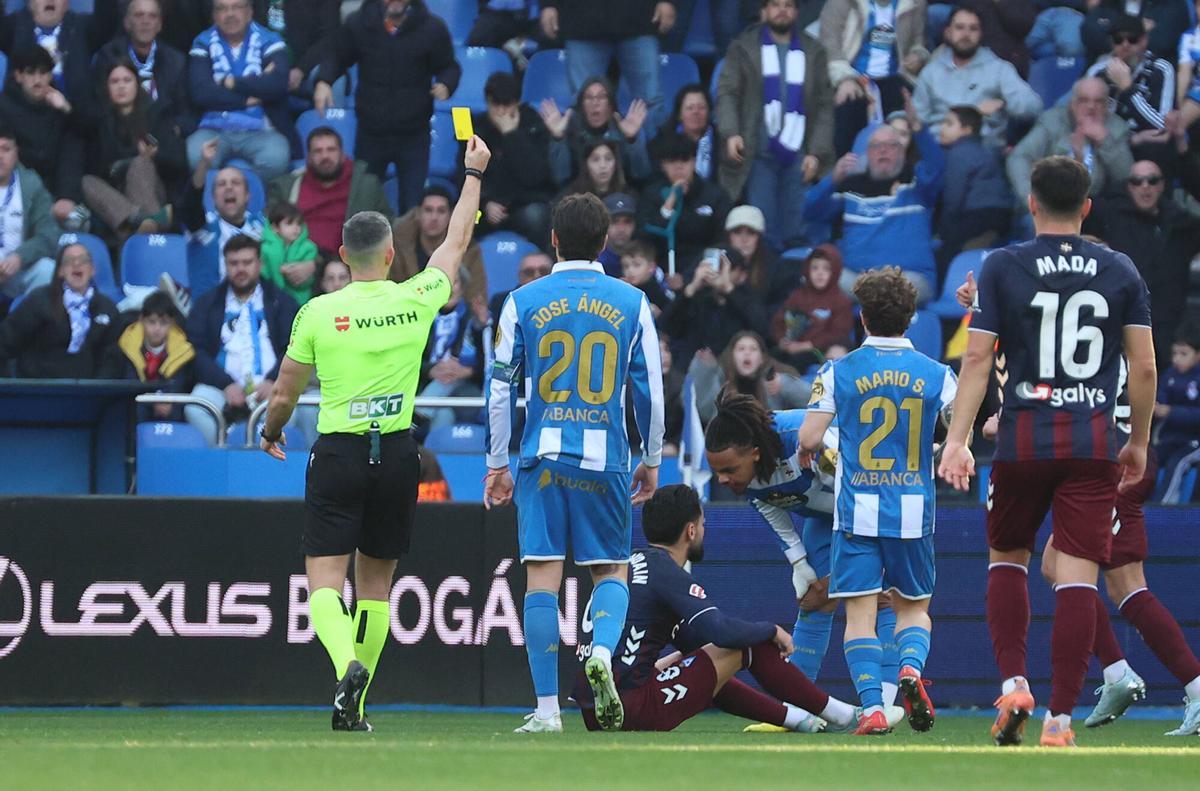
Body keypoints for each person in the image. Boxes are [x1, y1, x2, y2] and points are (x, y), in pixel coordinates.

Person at [257, 137, 492, 731]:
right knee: (377, 589)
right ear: (391, 256)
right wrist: (472, 173)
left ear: (342, 253)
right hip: (397, 454)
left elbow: (284, 393)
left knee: (322, 585)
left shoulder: (317, 312)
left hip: (337, 452)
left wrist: (270, 431)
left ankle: (345, 671)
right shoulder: (414, 298)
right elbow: (456, 240)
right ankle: (356, 703)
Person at [938, 155, 1157, 748]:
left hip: (1022, 439)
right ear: (1087, 207)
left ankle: (1014, 685)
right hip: (1091, 443)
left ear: (1031, 203)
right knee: (1080, 577)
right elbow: (1143, 365)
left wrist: (957, 441)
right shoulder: (1120, 269)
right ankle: (1060, 719)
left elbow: (979, 359)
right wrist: (1135, 441)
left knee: (1008, 557)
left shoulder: (1002, 265)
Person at [955, 270, 1200, 737]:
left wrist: (999, 422)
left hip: (1109, 457)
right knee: (1059, 567)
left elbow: (1054, 386)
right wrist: (984, 298)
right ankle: (1116, 672)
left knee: (1125, 586)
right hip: (1109, 453)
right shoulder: (1108, 321)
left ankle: (1187, 686)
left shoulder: (1069, 336)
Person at [483, 192, 665, 733]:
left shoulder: (522, 300)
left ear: (554, 241)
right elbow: (650, 392)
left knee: (542, 579)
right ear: (606, 243)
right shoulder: (632, 303)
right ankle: (602, 655)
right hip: (604, 458)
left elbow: (500, 390)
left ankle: (545, 710)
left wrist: (498, 461)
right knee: (610, 571)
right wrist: (651, 457)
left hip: (542, 458)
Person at [798, 266, 956, 735]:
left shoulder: (838, 370)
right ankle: (908, 668)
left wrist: (828, 448)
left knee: (861, 616)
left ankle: (871, 709)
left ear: (862, 318)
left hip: (857, 513)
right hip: (913, 513)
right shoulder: (937, 374)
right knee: (912, 610)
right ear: (911, 319)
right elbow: (958, 429)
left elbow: (808, 437)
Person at [571, 484, 860, 734]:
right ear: (691, 530)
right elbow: (720, 632)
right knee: (750, 644)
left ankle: (798, 719)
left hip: (595, 711)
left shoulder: (631, 564)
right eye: (704, 525)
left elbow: (707, 660)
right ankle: (842, 716)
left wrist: (682, 657)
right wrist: (770, 630)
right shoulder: (665, 571)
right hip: (633, 707)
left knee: (706, 662)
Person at [701, 389, 906, 731]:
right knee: (813, 601)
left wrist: (851, 551)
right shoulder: (747, 473)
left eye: (729, 470)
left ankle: (882, 704)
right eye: (716, 471)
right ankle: (795, 712)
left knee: (880, 599)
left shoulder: (804, 437)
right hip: (821, 515)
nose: (722, 480)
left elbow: (860, 481)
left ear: (754, 453)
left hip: (871, 506)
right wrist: (799, 563)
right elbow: (767, 504)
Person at [314, 0, 461, 213]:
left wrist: (446, 84)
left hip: (414, 136)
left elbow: (449, 66)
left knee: (412, 210)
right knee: (362, 205)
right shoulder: (359, 24)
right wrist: (324, 80)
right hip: (370, 134)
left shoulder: (432, 28)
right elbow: (337, 56)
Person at [716, 0, 834, 251]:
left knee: (796, 229)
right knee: (764, 231)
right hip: (758, 152)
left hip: (800, 153)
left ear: (797, 12)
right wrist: (731, 132)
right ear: (764, 11)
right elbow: (727, 93)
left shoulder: (814, 51)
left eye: (788, 5)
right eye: (775, 4)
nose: (782, 10)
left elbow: (825, 106)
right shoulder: (743, 47)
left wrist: (816, 152)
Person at [804, 108, 944, 306]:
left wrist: (919, 129)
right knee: (822, 278)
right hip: (858, 280)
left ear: (903, 152)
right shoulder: (850, 190)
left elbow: (936, 167)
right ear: (867, 154)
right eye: (876, 146)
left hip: (907, 279)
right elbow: (808, 211)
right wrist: (832, 180)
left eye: (891, 146)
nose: (884, 150)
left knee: (894, 291)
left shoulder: (917, 187)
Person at [1082, 159, 1200, 367]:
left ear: (1163, 185)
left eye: (1152, 180)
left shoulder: (1181, 224)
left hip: (1169, 328)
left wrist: (1181, 153)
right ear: (1128, 186)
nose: (1145, 186)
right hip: (1124, 323)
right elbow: (1078, 205)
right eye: (1137, 181)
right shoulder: (1111, 216)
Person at [184, 235, 298, 446]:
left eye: (247, 262)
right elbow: (195, 351)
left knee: (289, 412)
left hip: (271, 386)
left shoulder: (281, 301)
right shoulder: (207, 303)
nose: (240, 269)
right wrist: (225, 384)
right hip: (221, 386)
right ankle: (221, 457)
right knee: (195, 407)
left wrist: (274, 381)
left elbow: (294, 348)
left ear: (259, 264)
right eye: (234, 263)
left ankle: (263, 468)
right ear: (225, 264)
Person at [187, 0, 296, 181]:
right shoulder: (202, 42)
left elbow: (277, 85)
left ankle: (249, 198)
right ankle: (218, 202)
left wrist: (230, 83)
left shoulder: (270, 40)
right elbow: (201, 92)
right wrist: (246, 99)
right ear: (214, 15)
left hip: (262, 130)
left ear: (249, 12)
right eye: (222, 8)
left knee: (277, 156)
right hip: (214, 130)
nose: (230, 14)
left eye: (237, 7)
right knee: (195, 154)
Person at [912, 6, 1043, 152]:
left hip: (983, 151)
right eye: (960, 27)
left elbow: (1033, 107)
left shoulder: (999, 69)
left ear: (981, 34)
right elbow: (918, 119)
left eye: (973, 28)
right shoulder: (931, 71)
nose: (966, 34)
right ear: (948, 33)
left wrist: (1005, 103)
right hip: (939, 149)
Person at [82, 59, 187, 239]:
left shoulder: (157, 114)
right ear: (106, 87)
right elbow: (98, 168)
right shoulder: (100, 121)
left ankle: (139, 222)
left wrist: (156, 155)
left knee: (140, 164)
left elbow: (179, 162)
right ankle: (144, 219)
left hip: (154, 190)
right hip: (115, 197)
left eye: (127, 80)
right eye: (115, 82)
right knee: (86, 181)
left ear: (137, 84)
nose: (121, 86)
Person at [819, 0, 931, 157]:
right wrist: (845, 78)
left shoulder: (914, 3)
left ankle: (905, 176)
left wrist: (917, 55)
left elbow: (918, 42)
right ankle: (845, 172)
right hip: (852, 75)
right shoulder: (841, 2)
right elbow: (829, 44)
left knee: (913, 112)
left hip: (894, 76)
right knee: (848, 105)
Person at [540, 0, 675, 127]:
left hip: (639, 19)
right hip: (582, 22)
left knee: (650, 101)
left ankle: (656, 151)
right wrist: (549, 4)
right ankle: (585, 152)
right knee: (584, 101)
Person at [1006, 77, 1134, 207]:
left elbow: (1127, 178)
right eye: (1084, 100)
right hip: (1048, 202)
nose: (1091, 107)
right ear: (1072, 104)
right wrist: (1032, 197)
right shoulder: (1052, 121)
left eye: (1098, 101)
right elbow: (1019, 157)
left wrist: (1106, 142)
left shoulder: (1117, 127)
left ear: (1107, 106)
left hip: (1096, 208)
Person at [269, 126, 392, 258]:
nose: (325, 156)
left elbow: (386, 227)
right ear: (308, 157)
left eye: (331, 150)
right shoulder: (285, 188)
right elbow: (270, 231)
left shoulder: (367, 186)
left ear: (342, 154)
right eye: (318, 151)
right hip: (300, 263)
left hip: (352, 263)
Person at [0, 243, 119, 377]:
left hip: (89, 393)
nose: (76, 264)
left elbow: (111, 360)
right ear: (60, 271)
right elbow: (6, 342)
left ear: (92, 269)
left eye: (83, 260)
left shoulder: (107, 308)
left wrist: (98, 392)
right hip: (39, 390)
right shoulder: (38, 301)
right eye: (69, 261)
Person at [0, 47, 87, 227]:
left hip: (55, 194)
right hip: (12, 194)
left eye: (43, 73)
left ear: (50, 76)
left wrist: (67, 196)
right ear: (18, 76)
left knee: (78, 223)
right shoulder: (3, 108)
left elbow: (71, 156)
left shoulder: (62, 109)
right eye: (30, 73)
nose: (37, 80)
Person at [0, 0, 120, 125]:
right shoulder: (13, 27)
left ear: (67, 3)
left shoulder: (82, 27)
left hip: (73, 124)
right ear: (30, 3)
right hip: (21, 126)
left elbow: (108, 20)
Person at [473, 72, 555, 250]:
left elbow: (535, 177)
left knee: (537, 216)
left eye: (507, 104)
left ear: (517, 103)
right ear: (487, 101)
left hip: (524, 204)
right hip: (483, 208)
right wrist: (486, 202)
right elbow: (465, 174)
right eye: (496, 104)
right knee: (464, 218)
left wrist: (511, 136)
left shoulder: (534, 124)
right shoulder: (475, 127)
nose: (501, 111)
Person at [1084, 15, 1176, 167]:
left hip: (1147, 149)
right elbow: (1089, 122)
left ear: (1144, 41)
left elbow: (1161, 127)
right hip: (1109, 145)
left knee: (1155, 148)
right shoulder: (1097, 72)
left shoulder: (1161, 69)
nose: (1125, 45)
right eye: (1118, 40)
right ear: (1112, 43)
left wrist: (1127, 89)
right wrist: (1131, 139)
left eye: (1132, 39)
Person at [936, 105, 1014, 279]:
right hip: (1002, 215)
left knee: (944, 252)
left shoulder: (959, 153)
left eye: (949, 124)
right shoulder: (985, 150)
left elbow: (954, 197)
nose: (942, 128)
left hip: (979, 216)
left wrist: (944, 230)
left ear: (966, 130)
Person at [182, 138, 266, 299]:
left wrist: (309, 265)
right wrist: (205, 163)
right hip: (210, 314)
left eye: (235, 183)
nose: (229, 187)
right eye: (221, 184)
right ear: (213, 198)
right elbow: (190, 205)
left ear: (247, 195)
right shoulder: (202, 226)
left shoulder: (263, 226)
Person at [639, 133, 732, 276]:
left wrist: (688, 276)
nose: (679, 167)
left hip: (700, 272)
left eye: (685, 160)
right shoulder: (652, 194)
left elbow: (720, 241)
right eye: (672, 161)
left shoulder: (714, 196)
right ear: (663, 165)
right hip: (659, 271)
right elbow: (645, 237)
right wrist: (667, 208)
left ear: (694, 161)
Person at [658, 251, 770, 370]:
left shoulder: (749, 299)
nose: (717, 273)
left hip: (735, 375)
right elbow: (664, 327)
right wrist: (692, 287)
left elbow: (762, 328)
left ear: (742, 275)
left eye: (726, 268)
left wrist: (728, 288)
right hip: (692, 375)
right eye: (714, 266)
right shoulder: (696, 299)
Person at [94, 0, 192, 129]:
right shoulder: (108, 56)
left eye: (152, 16)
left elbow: (186, 113)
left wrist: (173, 131)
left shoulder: (176, 61)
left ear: (159, 24)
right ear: (127, 23)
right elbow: (100, 107)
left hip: (163, 133)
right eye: (139, 15)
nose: (146, 21)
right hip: (120, 134)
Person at [389, 186, 488, 308]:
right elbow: (391, 294)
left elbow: (476, 297)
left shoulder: (469, 250)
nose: (434, 218)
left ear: (451, 216)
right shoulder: (398, 247)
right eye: (428, 210)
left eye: (441, 211)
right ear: (418, 214)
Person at [543, 77, 652, 187]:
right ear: (581, 105)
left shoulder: (625, 127)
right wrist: (558, 138)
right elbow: (560, 178)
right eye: (589, 97)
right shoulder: (569, 128)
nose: (595, 102)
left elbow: (641, 175)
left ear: (610, 105)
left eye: (602, 97)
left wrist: (632, 139)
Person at [416, 268, 490, 430]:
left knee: (448, 378)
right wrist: (430, 370)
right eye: (442, 284)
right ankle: (437, 453)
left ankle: (416, 418)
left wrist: (468, 371)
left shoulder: (475, 317)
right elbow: (408, 359)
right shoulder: (419, 318)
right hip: (427, 382)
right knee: (444, 415)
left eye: (454, 282)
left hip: (465, 385)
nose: (448, 288)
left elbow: (491, 361)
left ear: (462, 287)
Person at [108, 290, 195, 421]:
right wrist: (152, 402)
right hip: (136, 406)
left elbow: (179, 386)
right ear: (141, 320)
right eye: (152, 322)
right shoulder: (127, 345)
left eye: (163, 323)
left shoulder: (182, 351)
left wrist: (167, 403)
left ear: (172, 323)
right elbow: (129, 384)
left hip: (169, 406)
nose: (157, 329)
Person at [690, 331, 811, 426]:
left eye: (753, 349)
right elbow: (702, 412)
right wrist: (704, 370)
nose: (747, 353)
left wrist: (784, 384)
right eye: (741, 349)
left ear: (761, 358)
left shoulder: (775, 382)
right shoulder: (721, 384)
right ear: (732, 357)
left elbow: (813, 401)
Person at [770, 244, 855, 372]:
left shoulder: (841, 301)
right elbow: (779, 320)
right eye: (815, 268)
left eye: (826, 269)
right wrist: (782, 340)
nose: (820, 273)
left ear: (836, 272)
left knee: (799, 360)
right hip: (791, 346)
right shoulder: (797, 296)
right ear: (807, 270)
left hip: (819, 350)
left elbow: (837, 333)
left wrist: (807, 345)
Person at [0, 127, 61, 299]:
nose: (0, 157)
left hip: (18, 269)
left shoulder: (31, 185)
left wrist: (20, 257)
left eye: (6, 149)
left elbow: (48, 233)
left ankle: (31, 323)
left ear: (16, 153)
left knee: (47, 269)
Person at [1153, 327, 1200, 502]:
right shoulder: (1169, 374)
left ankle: (1162, 508)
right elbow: (1161, 396)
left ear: (1198, 355)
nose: (1177, 359)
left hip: (1194, 442)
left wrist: (1172, 412)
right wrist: (1155, 406)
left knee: (1178, 464)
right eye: (1174, 353)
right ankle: (1137, 504)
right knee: (1149, 460)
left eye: (1184, 354)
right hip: (1170, 438)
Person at [723, 205, 792, 316]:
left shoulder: (776, 270)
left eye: (751, 232)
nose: (744, 239)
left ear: (759, 238)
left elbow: (770, 320)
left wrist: (730, 290)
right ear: (728, 236)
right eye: (737, 232)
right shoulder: (715, 262)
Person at [1082, 0, 1192, 67]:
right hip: (1106, 71)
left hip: (1151, 75)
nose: (1125, 44)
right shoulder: (1110, 2)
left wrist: (1114, 32)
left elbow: (1162, 42)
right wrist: (1138, 26)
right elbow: (1090, 34)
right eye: (1119, 39)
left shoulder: (1171, 3)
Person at [261, 201, 320, 306]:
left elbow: (309, 280)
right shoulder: (265, 249)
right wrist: (278, 270)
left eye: (299, 223)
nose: (296, 228)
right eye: (289, 223)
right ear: (275, 228)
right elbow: (262, 275)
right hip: (271, 302)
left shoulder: (308, 248)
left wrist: (294, 273)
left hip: (301, 303)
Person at [657, 84, 718, 185]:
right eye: (690, 108)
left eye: (701, 107)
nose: (696, 112)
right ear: (679, 114)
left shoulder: (721, 140)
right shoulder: (664, 141)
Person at [488, 250, 552, 323]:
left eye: (543, 271)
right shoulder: (502, 302)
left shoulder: (564, 298)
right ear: (520, 276)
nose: (537, 276)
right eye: (529, 272)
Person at [560, 139, 629, 202]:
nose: (603, 165)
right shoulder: (571, 198)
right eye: (595, 159)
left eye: (608, 158)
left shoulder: (628, 195)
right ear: (586, 165)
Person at [619, 239, 672, 317]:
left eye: (637, 265)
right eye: (626, 266)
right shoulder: (622, 288)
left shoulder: (659, 293)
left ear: (651, 267)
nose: (630, 270)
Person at [596, 192, 637, 276]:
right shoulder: (595, 260)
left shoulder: (644, 258)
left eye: (627, 221)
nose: (621, 229)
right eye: (614, 221)